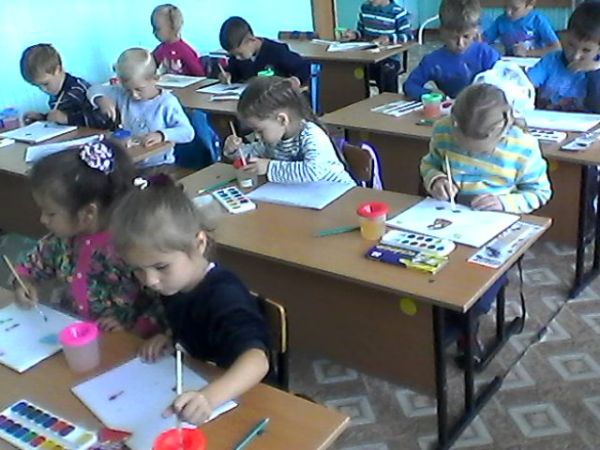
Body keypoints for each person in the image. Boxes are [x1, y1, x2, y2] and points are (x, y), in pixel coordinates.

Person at [110, 175, 270, 425]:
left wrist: (209, 398)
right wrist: (171, 337)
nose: (149, 281)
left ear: (199, 244)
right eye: (138, 270)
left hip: (243, 398)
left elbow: (257, 361)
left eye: (161, 267)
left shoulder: (224, 295)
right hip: (198, 383)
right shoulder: (175, 284)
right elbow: (192, 323)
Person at [13, 139, 161, 337]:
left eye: (51, 213)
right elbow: (30, 267)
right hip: (71, 332)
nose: (43, 220)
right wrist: (24, 283)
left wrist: (133, 328)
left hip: (119, 341)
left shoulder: (131, 246)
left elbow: (160, 301)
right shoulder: (59, 240)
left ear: (88, 213)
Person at [223, 76, 355, 184]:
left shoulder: (311, 135)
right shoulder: (272, 140)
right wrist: (235, 150)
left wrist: (269, 167)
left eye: (260, 131)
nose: (257, 136)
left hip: (341, 194)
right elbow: (251, 155)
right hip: (309, 196)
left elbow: (313, 171)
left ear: (282, 120)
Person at [88, 48, 194, 168]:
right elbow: (93, 89)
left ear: (155, 79)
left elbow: (187, 133)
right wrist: (101, 99)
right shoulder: (123, 94)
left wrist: (161, 135)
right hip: (132, 162)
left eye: (139, 89)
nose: (134, 95)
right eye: (128, 90)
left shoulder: (166, 103)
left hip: (160, 164)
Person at [403, 0, 500, 100]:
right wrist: (432, 96)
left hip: (485, 104)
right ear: (441, 32)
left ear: (476, 31)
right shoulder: (433, 61)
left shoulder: (486, 54)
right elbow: (410, 86)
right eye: (453, 37)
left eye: (466, 37)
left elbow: (505, 80)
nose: (460, 44)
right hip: (451, 106)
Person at [527, 1, 600, 112]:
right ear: (565, 35)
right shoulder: (551, 61)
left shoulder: (597, 70)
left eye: (586, 50)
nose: (576, 56)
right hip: (547, 120)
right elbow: (525, 85)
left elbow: (597, 108)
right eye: (571, 45)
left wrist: (595, 72)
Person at [20, 44, 112, 128]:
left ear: (58, 69)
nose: (43, 89)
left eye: (45, 84)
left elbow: (102, 119)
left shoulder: (78, 90)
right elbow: (60, 118)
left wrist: (67, 119)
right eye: (37, 86)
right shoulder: (56, 92)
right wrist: (43, 117)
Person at [340, 0, 413, 92]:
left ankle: (388, 99)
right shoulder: (365, 8)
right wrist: (354, 35)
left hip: (389, 59)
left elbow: (408, 36)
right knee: (350, 71)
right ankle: (360, 99)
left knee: (386, 72)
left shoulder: (398, 12)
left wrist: (389, 38)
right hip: (367, 56)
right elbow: (361, 31)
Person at [218, 16, 310, 85]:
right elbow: (234, 72)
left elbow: (304, 67)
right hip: (249, 99)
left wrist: (295, 80)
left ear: (251, 40)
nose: (237, 58)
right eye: (234, 55)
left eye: (240, 54)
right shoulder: (237, 57)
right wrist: (228, 75)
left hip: (276, 99)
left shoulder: (276, 51)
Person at [483, 0, 560, 57]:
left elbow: (556, 48)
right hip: (509, 64)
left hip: (533, 64)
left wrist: (527, 53)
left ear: (530, 5)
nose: (508, 12)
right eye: (505, 7)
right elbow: (484, 40)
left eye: (515, 9)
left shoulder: (538, 20)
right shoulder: (501, 20)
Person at [151, 3, 205, 76]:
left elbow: (199, 74)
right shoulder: (160, 50)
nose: (154, 32)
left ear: (173, 27)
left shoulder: (185, 51)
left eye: (157, 28)